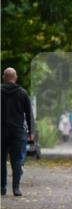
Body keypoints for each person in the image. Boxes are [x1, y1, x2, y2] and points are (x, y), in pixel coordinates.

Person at [2, 68, 34, 196]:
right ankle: (16, 188)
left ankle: (2, 187)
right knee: (17, 159)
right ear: (15, 78)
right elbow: (29, 114)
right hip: (18, 131)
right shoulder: (22, 93)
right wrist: (31, 132)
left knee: (1, 160)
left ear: (3, 77)